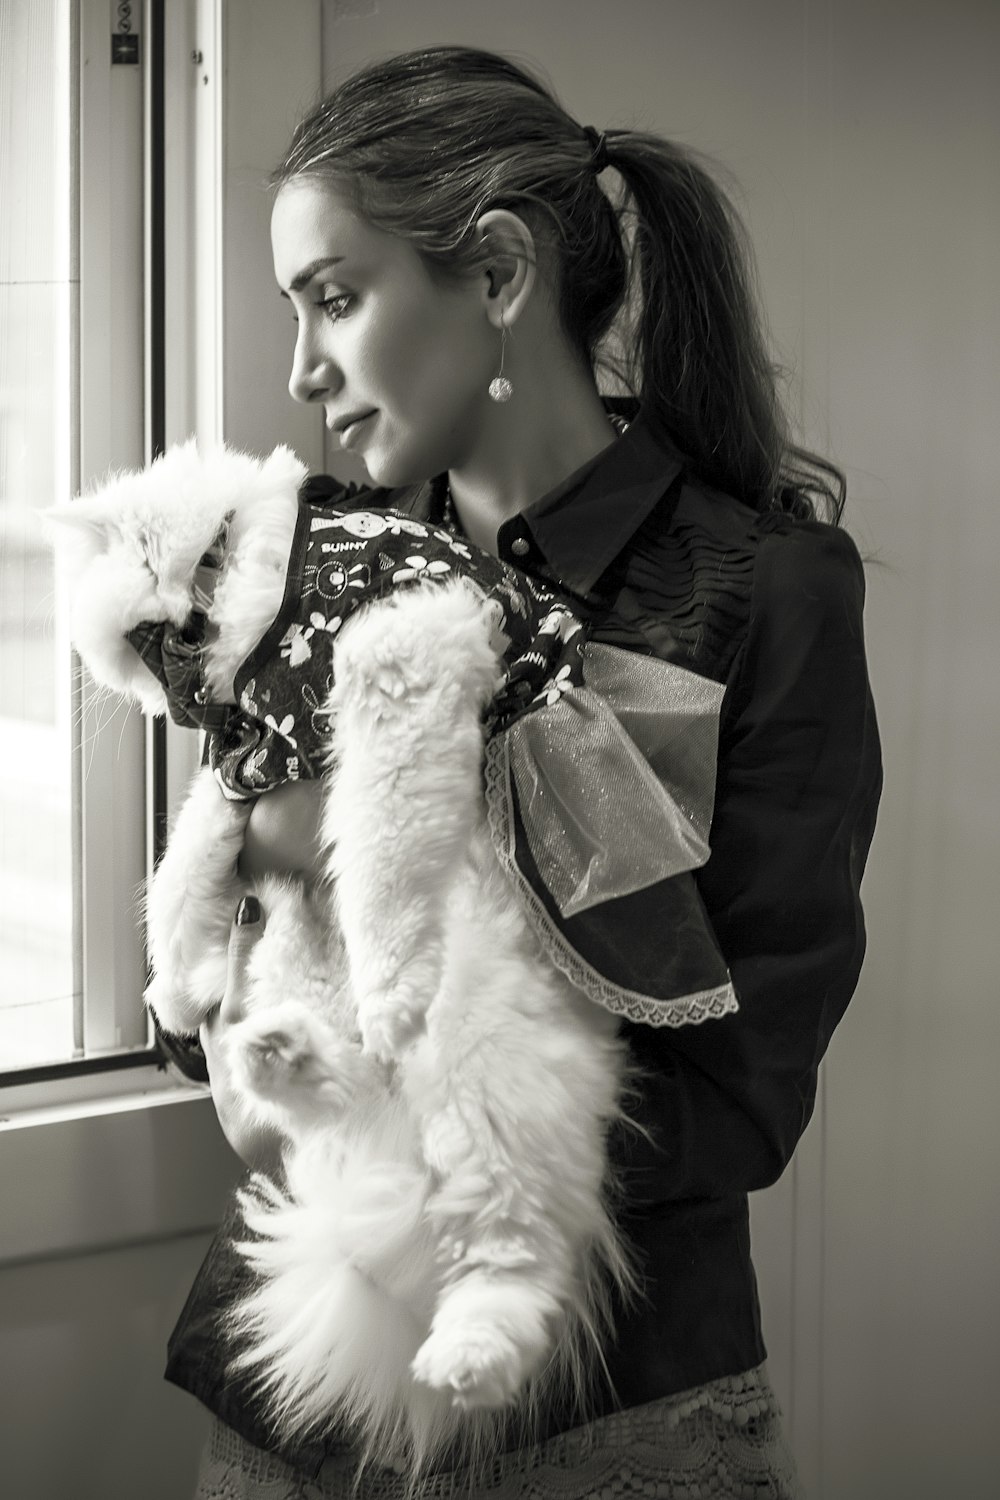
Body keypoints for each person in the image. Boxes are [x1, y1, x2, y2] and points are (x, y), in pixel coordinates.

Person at [162, 45, 882, 1499]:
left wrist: (405, 1075)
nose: (302, 370)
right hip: (290, 1411)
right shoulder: (303, 580)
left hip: (607, 1420)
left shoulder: (763, 593)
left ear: (495, 271)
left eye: (336, 296)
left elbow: (737, 1098)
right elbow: (210, 1003)